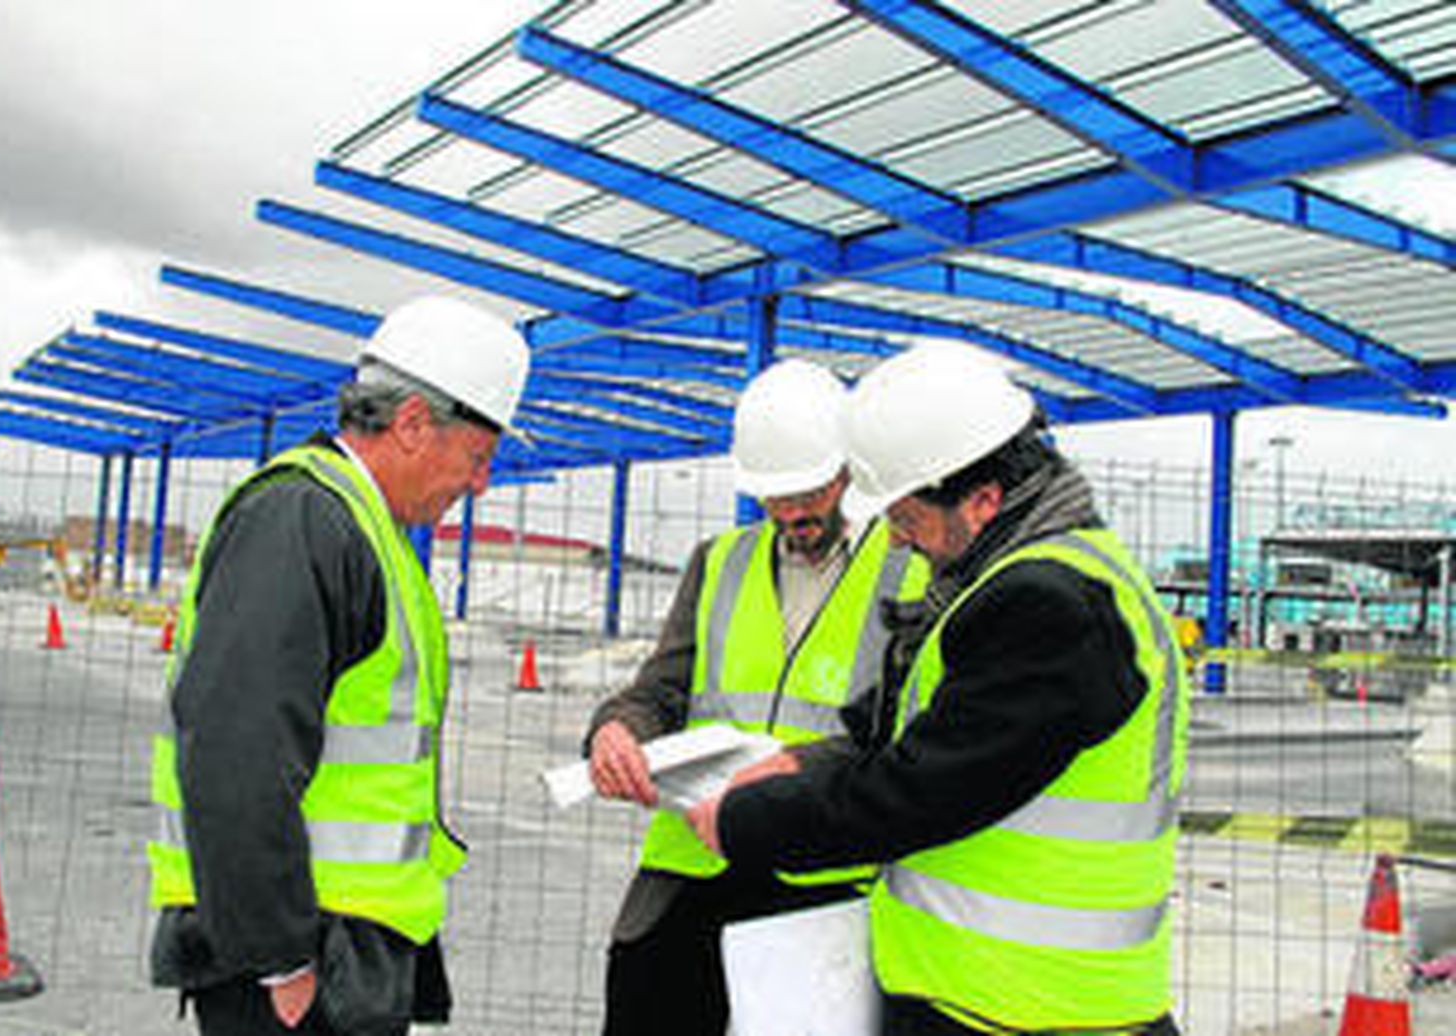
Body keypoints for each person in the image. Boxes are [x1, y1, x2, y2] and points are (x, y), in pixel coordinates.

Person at [689, 347, 1189, 1036]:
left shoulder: (1051, 605)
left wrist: (748, 823)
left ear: (981, 500)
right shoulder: (1001, 582)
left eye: (906, 516)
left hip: (1028, 1011)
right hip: (993, 1000)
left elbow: (921, 791)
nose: (895, 538)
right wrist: (802, 763)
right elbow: (900, 725)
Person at [145, 296, 530, 1036]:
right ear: (414, 423)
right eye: (480, 458)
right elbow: (236, 756)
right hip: (295, 962)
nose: (482, 484)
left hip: (339, 949)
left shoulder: (354, 525)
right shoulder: (303, 521)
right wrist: (280, 961)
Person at [585, 358, 931, 1036]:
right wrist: (617, 729)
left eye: (811, 491)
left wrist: (800, 768)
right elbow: (661, 688)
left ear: (849, 472)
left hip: (822, 875)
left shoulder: (910, 571)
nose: (795, 512)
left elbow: (908, 737)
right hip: (692, 870)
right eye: (777, 497)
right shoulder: (719, 561)